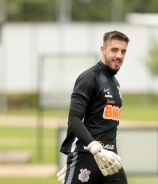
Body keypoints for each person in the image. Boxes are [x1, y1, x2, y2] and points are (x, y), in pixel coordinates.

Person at [57, 30, 130, 184]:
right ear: (103, 50)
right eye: (114, 50)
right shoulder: (89, 77)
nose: (119, 56)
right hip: (87, 155)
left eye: (123, 51)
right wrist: (93, 150)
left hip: (110, 159)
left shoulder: (114, 83)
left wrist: (104, 153)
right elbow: (74, 119)